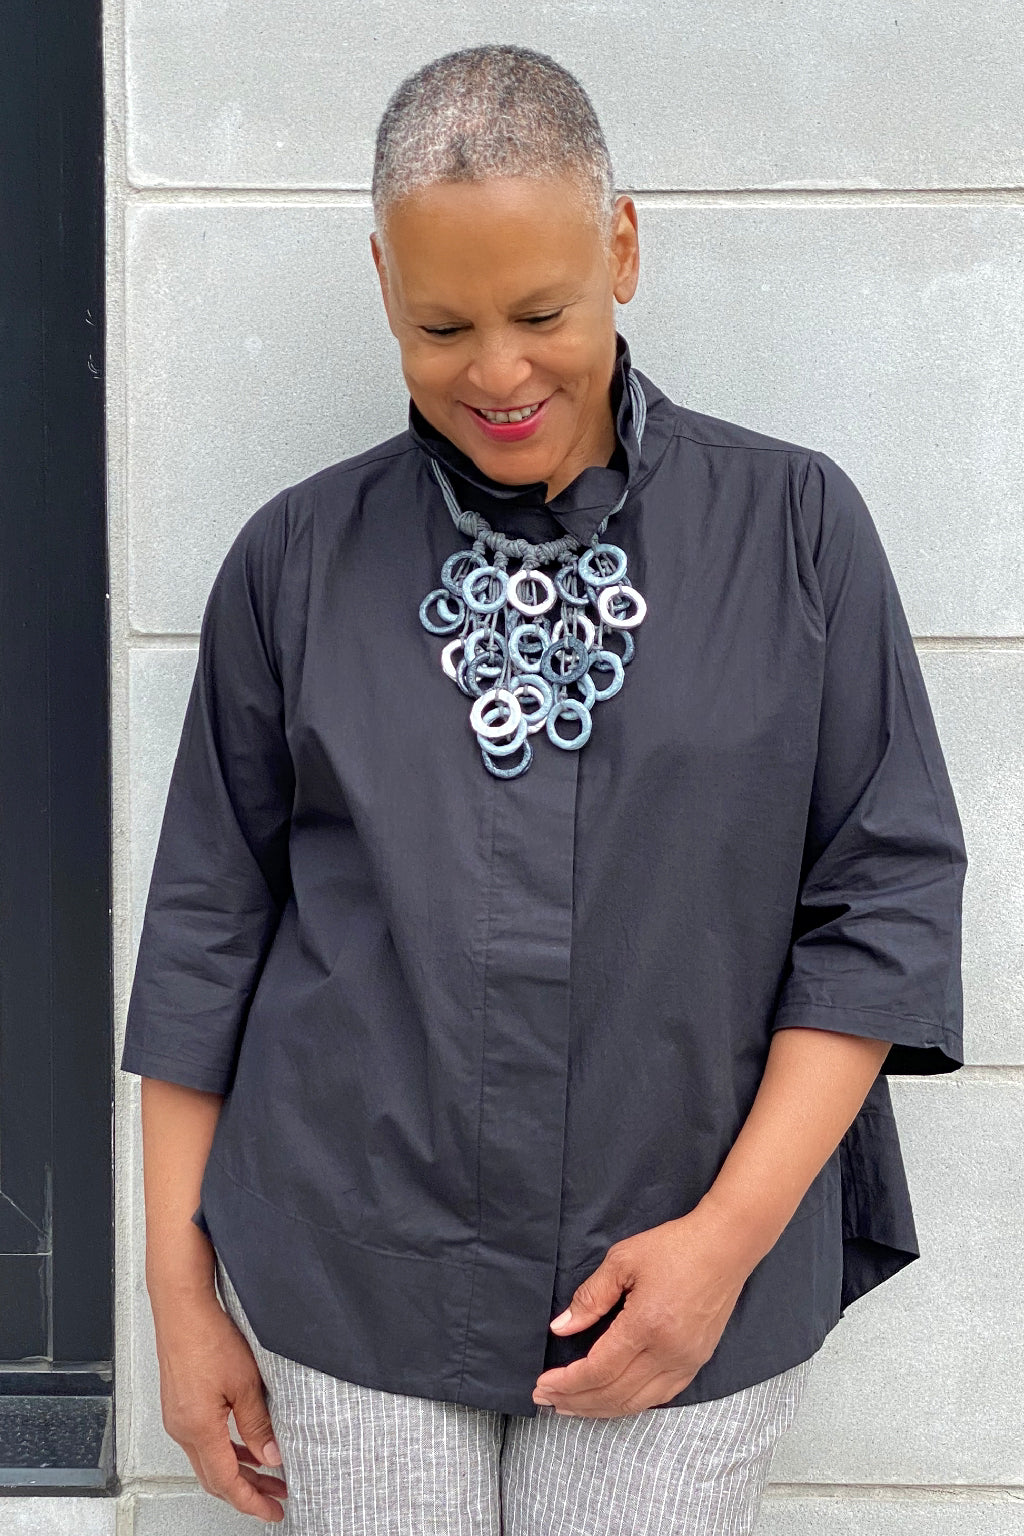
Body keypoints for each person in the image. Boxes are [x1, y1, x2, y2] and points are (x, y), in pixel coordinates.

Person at [120, 43, 968, 1536]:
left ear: (622, 248)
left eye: (543, 312)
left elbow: (884, 910)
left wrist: (727, 1241)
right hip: (350, 1257)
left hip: (688, 1249)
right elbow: (207, 933)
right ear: (383, 281)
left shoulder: (797, 530)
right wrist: (179, 1308)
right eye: (441, 323)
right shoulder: (296, 563)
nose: (499, 372)